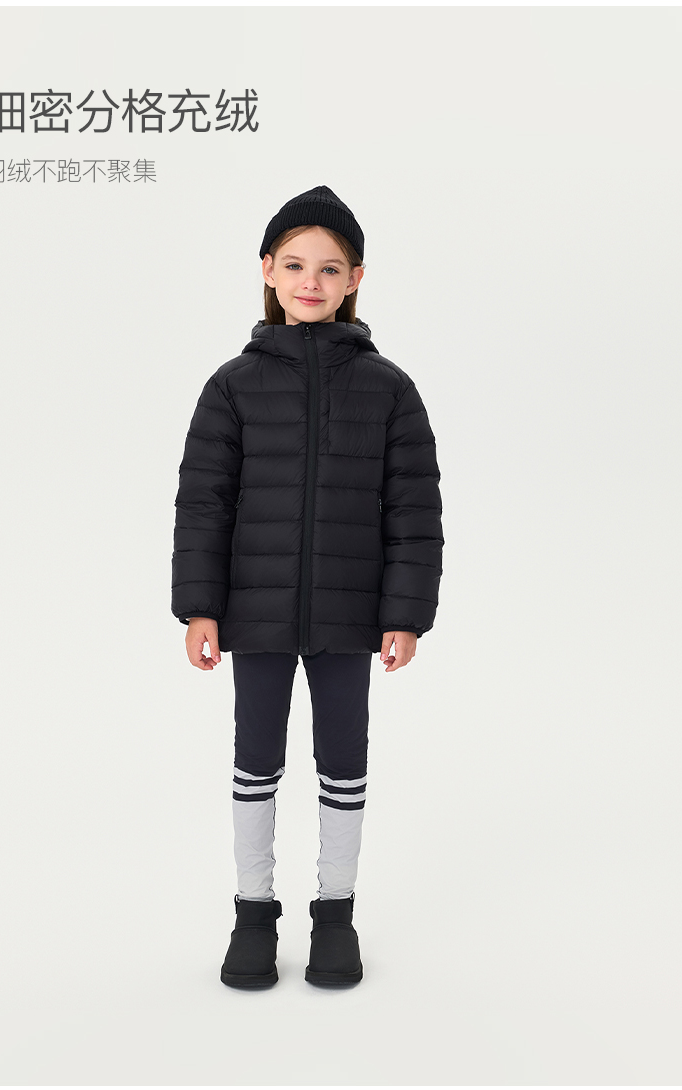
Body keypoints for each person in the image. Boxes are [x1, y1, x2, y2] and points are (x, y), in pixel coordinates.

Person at [171, 185, 444, 988]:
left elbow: (415, 508)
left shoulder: (390, 389)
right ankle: (253, 915)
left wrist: (405, 615)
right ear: (267, 269)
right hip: (253, 614)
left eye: (329, 268)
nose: (311, 281)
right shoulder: (232, 386)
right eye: (294, 265)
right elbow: (203, 502)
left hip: (350, 617)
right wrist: (200, 607)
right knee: (255, 760)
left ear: (355, 278)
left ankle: (336, 915)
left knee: (343, 762)